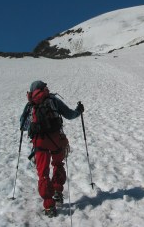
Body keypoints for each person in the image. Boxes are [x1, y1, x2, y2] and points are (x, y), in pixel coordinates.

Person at [20, 80, 84, 217]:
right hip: (57, 139)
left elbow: (23, 126)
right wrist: (79, 111)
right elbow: (70, 115)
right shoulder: (53, 100)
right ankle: (57, 191)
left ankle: (49, 206)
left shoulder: (30, 104)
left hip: (40, 142)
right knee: (58, 164)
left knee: (43, 173)